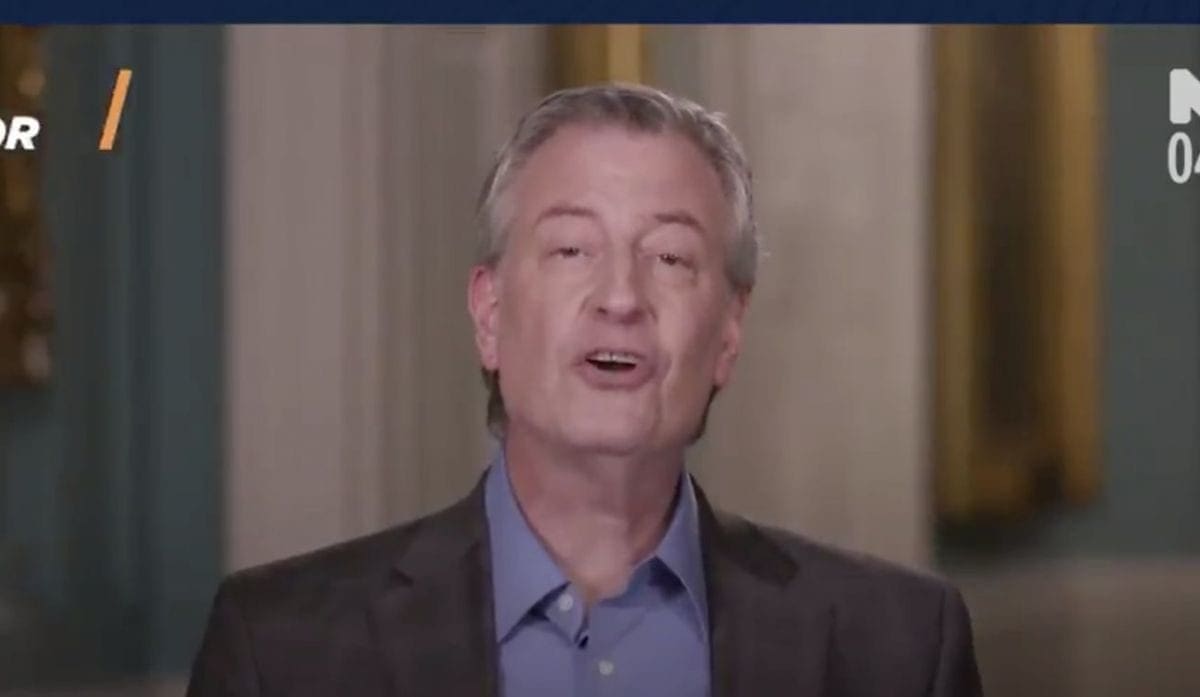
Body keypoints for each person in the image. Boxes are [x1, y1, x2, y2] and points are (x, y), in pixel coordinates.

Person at [187, 83, 982, 697]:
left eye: (670, 257)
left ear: (729, 332)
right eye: (572, 249)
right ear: (489, 314)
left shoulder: (900, 649)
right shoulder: (281, 651)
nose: (621, 298)